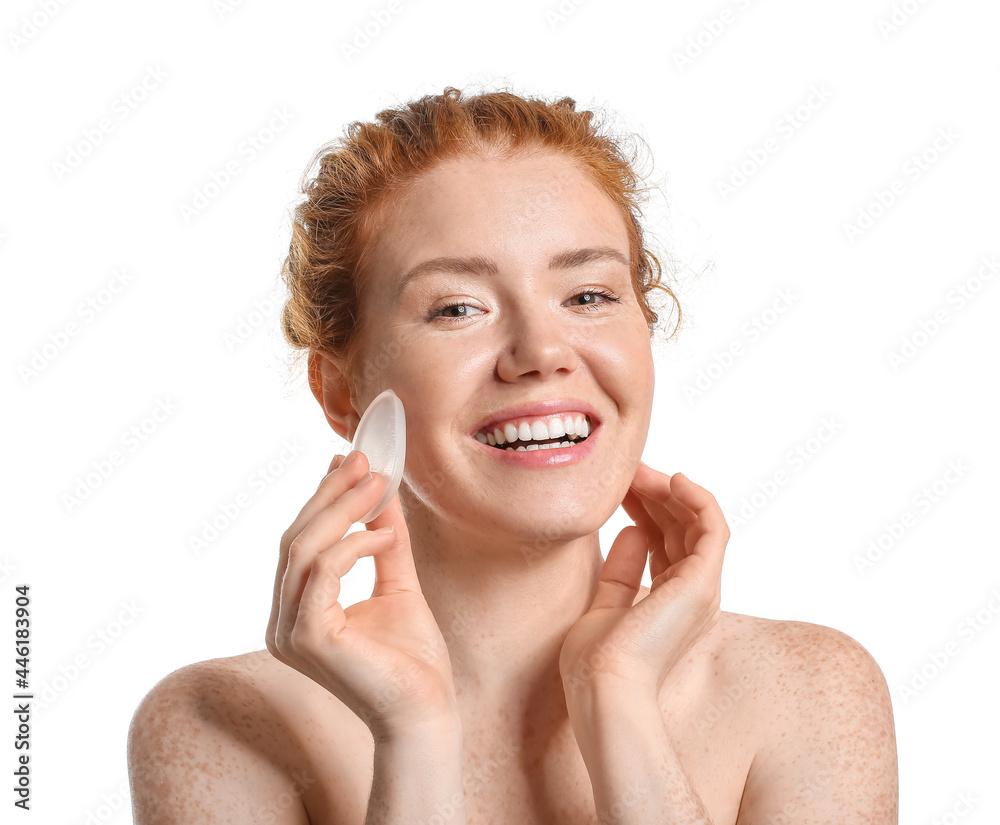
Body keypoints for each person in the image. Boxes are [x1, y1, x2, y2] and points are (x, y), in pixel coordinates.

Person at [127, 86, 899, 824]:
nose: (541, 351)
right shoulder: (222, 726)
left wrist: (618, 699)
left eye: (589, 295)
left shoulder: (810, 691)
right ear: (341, 392)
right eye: (457, 307)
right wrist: (412, 735)